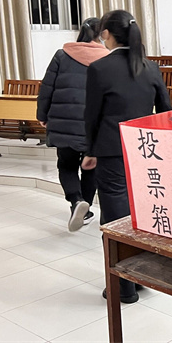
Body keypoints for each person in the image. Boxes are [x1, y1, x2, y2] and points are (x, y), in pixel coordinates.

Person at [83, 10, 172, 303]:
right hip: (146, 152)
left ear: (106, 34)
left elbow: (92, 116)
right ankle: (141, 276)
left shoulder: (100, 68)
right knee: (142, 216)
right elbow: (166, 111)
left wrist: (90, 151)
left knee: (116, 219)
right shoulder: (149, 67)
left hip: (111, 152)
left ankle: (124, 287)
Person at [37, 18, 108, 232]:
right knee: (90, 167)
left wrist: (42, 115)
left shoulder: (62, 54)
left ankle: (77, 201)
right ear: (101, 35)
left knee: (66, 166)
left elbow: (46, 87)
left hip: (63, 121)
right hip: (94, 125)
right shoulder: (106, 58)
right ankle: (84, 207)